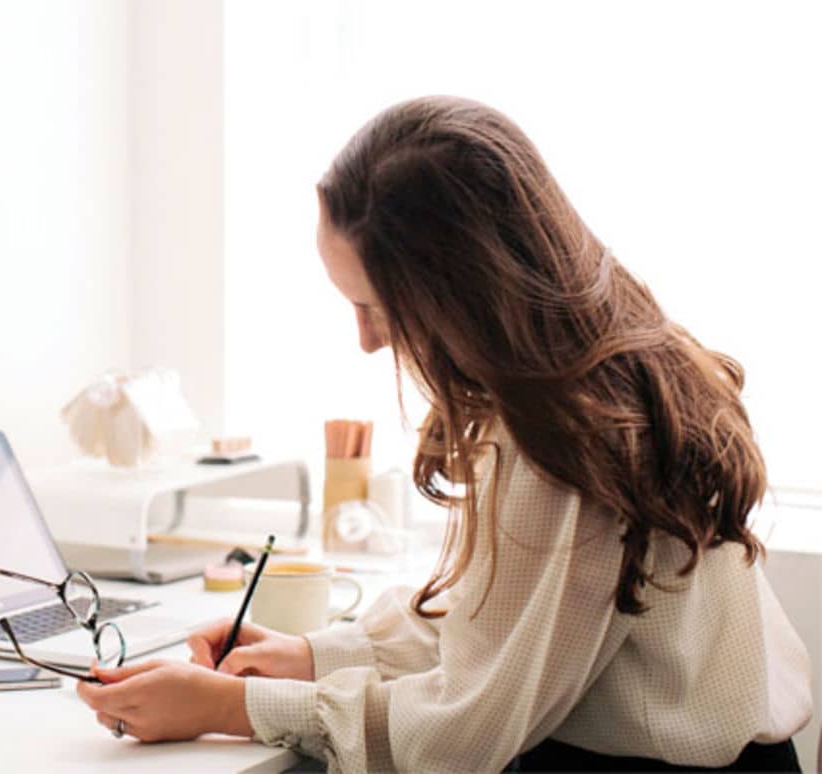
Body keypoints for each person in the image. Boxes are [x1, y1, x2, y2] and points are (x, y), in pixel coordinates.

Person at [76, 96, 811, 772]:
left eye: (375, 307)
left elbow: (467, 730)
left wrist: (233, 708)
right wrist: (311, 656)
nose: (367, 341)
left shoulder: (564, 440)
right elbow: (504, 628)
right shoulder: (595, 373)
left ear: (461, 290)